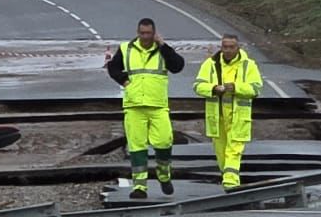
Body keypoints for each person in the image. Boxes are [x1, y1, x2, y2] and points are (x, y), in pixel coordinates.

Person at [106, 17, 185, 201]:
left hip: (158, 105)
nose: (145, 37)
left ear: (154, 33)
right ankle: (140, 186)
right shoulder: (126, 48)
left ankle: (164, 174)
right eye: (142, 33)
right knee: (137, 147)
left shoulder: (162, 50)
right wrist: (125, 82)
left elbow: (178, 66)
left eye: (148, 33)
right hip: (134, 106)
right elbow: (113, 68)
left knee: (164, 142)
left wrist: (163, 45)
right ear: (137, 32)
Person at [194, 33, 264, 190]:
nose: (228, 50)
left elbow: (256, 89)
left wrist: (236, 88)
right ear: (221, 47)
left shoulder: (248, 65)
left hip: (238, 117)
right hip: (217, 117)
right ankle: (229, 180)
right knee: (221, 153)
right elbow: (198, 86)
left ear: (238, 47)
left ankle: (231, 184)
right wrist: (213, 89)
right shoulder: (210, 64)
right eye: (225, 47)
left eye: (231, 47)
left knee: (234, 151)